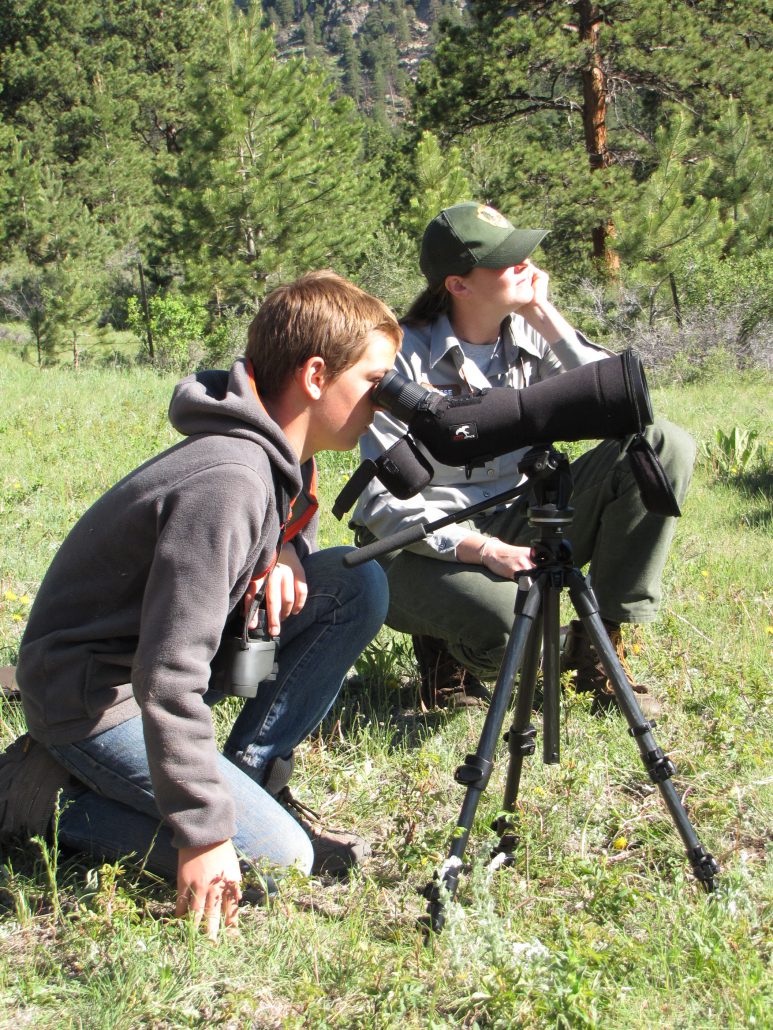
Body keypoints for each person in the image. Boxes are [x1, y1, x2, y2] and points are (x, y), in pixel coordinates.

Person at [0, 271, 401, 942]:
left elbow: (268, 523)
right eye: (373, 382)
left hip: (144, 666)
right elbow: (167, 675)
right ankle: (40, 796)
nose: (385, 403)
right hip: (96, 696)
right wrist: (204, 831)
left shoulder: (276, 454)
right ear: (313, 375)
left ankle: (245, 780)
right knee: (278, 861)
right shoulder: (229, 480)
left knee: (353, 585)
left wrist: (285, 550)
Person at [352, 202, 695, 714]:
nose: (526, 265)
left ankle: (600, 647)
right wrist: (482, 549)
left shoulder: (531, 335)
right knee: (510, 625)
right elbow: (380, 505)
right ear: (458, 284)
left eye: (524, 252)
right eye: (507, 259)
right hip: (420, 544)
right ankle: (448, 650)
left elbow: (624, 409)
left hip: (518, 515)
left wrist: (544, 315)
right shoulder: (399, 358)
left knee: (662, 446)